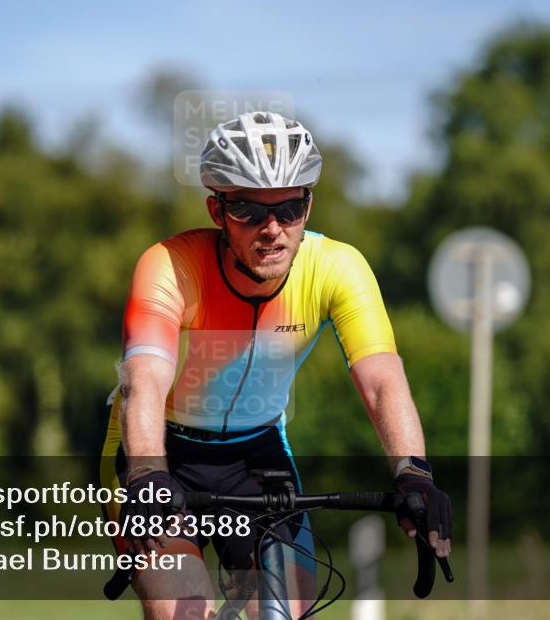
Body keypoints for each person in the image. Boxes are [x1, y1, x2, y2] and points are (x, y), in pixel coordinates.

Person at [100, 111, 451, 620]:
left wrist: (413, 472)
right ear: (217, 211)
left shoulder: (337, 267)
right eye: (248, 210)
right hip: (162, 452)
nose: (272, 229)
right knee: (184, 608)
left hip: (257, 458)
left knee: (287, 609)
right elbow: (144, 381)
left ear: (308, 205)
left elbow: (381, 380)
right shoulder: (171, 265)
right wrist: (147, 473)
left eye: (289, 208)